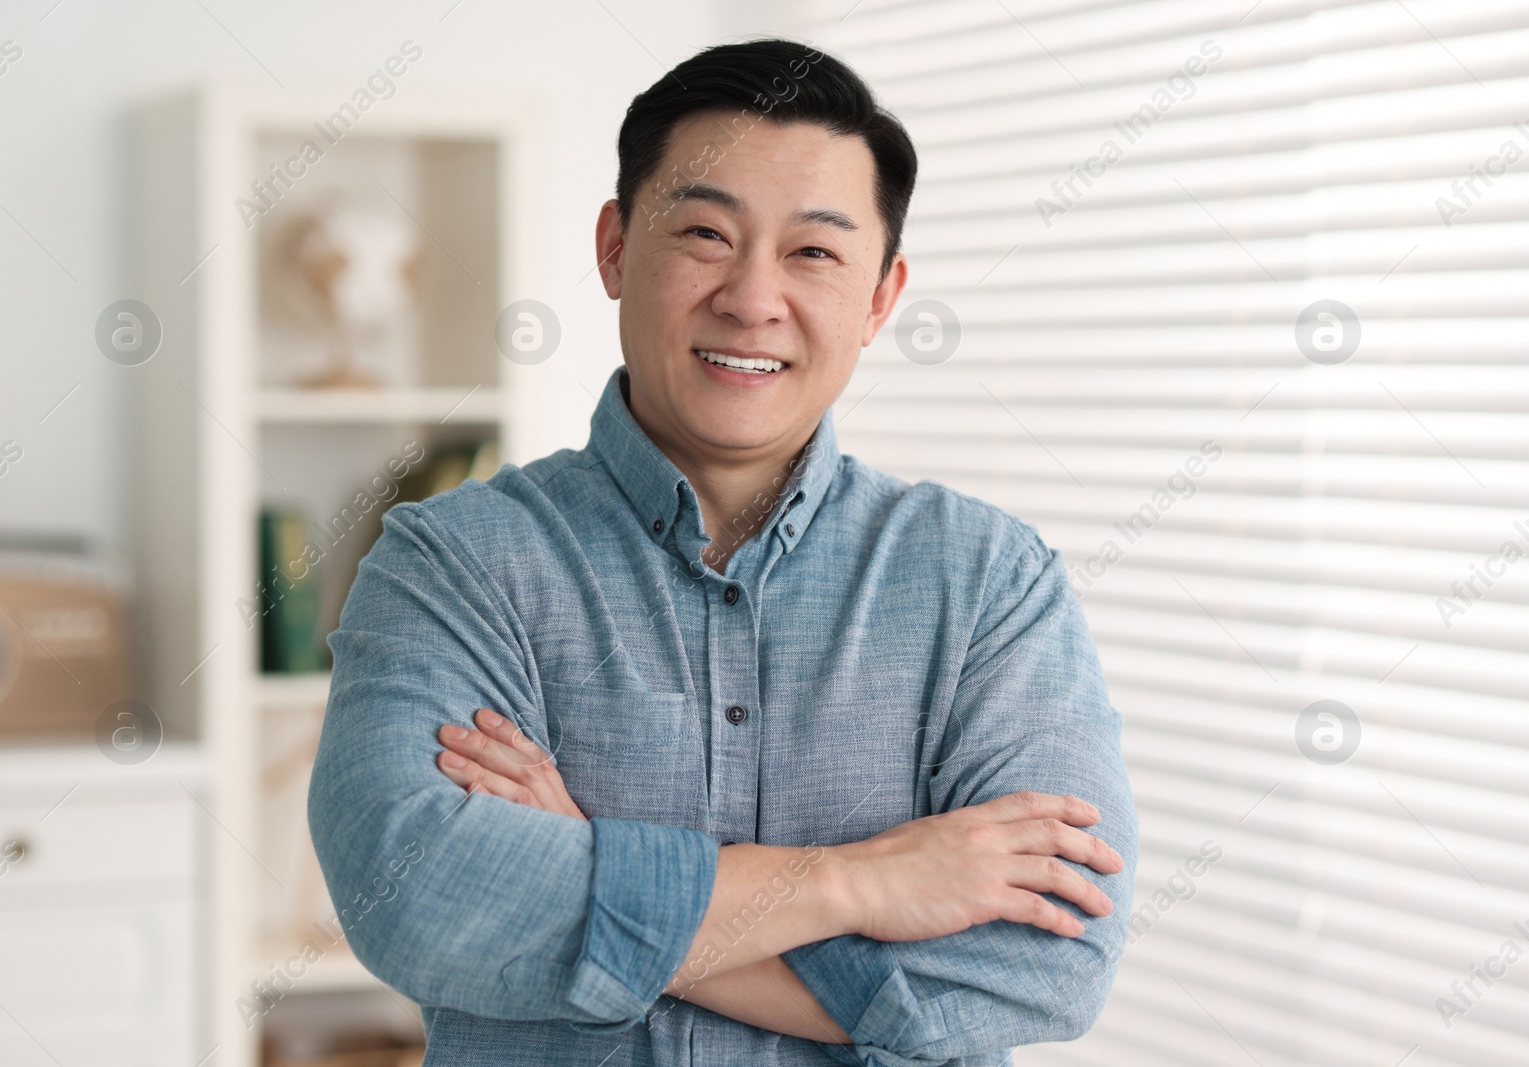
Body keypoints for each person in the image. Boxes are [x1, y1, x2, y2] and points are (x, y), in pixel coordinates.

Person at [308, 37, 1137, 1067]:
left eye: (814, 252)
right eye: (704, 233)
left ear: (881, 295)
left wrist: (588, 867)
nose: (752, 298)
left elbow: (1047, 963)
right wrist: (855, 881)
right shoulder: (452, 561)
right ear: (614, 247)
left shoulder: (988, 583)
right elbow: (418, 895)